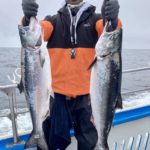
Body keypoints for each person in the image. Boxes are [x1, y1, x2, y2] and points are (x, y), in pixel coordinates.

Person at [21, 0, 121, 149]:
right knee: (50, 144)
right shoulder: (53, 20)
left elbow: (110, 33)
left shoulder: (96, 19)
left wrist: (112, 19)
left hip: (89, 98)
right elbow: (36, 32)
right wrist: (27, 18)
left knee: (89, 144)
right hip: (57, 97)